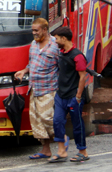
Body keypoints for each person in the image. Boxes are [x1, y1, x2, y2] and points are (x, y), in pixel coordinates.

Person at [15, 18, 63, 160]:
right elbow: (32, 63)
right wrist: (24, 71)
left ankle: (62, 140)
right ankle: (46, 150)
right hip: (34, 88)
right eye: (33, 31)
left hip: (49, 89)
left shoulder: (56, 45)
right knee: (37, 122)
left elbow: (63, 67)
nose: (34, 33)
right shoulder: (33, 44)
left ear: (44, 29)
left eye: (36, 30)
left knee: (48, 118)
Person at [48, 27, 90, 163]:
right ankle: (61, 152)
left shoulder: (77, 56)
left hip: (73, 96)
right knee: (57, 122)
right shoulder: (61, 53)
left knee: (77, 124)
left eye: (57, 38)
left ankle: (82, 151)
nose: (55, 41)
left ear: (64, 39)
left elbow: (83, 77)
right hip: (61, 95)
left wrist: (78, 97)